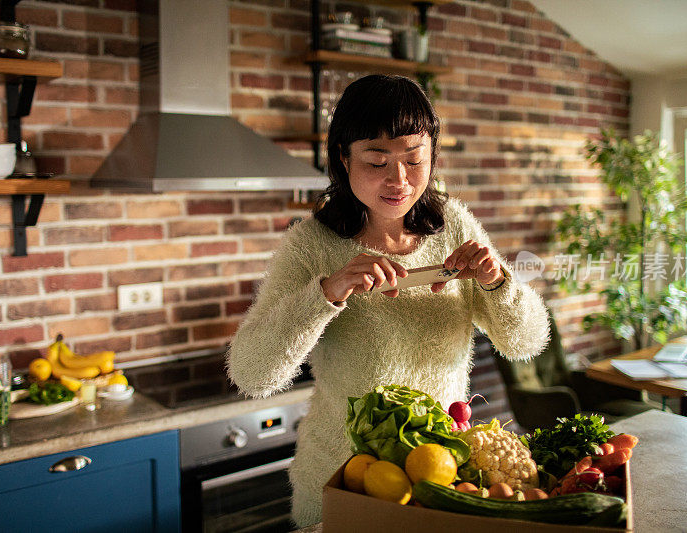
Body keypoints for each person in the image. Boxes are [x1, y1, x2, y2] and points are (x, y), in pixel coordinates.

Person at [227, 74, 550, 527]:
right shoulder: (310, 245)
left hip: (441, 481)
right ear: (344, 158)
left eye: (414, 160)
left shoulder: (453, 225)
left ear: (432, 155)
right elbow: (251, 375)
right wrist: (326, 294)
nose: (399, 179)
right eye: (377, 161)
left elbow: (526, 342)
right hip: (343, 483)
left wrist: (498, 283)